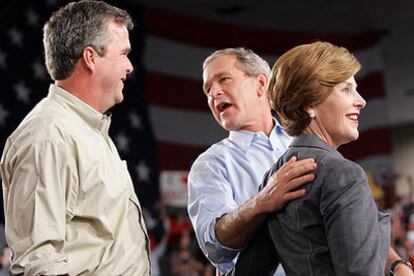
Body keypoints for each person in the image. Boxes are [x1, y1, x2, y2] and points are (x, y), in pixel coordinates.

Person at [232, 41, 413, 275]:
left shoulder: (275, 175)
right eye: (346, 89)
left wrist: (397, 265)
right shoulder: (343, 174)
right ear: (310, 104)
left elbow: (249, 270)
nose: (361, 101)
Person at [0, 1, 150, 275]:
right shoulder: (48, 137)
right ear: (91, 57)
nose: (129, 66)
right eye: (124, 53)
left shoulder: (87, 129)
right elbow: (39, 263)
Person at [187, 47, 317, 275]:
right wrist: (264, 201)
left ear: (260, 84)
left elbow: (350, 216)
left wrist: (396, 264)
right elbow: (215, 248)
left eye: (223, 79)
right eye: (207, 89)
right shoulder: (211, 164)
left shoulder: (309, 144)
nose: (213, 93)